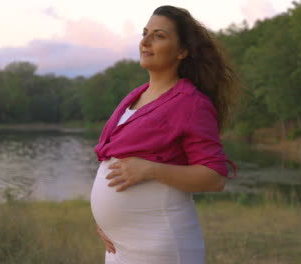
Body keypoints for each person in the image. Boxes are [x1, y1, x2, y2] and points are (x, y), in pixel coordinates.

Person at [89, 5, 240, 264]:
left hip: (159, 246)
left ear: (182, 51)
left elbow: (214, 178)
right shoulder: (134, 97)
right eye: (144, 33)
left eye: (158, 36)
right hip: (120, 248)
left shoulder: (190, 102)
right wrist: (108, 223)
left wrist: (150, 170)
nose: (145, 42)